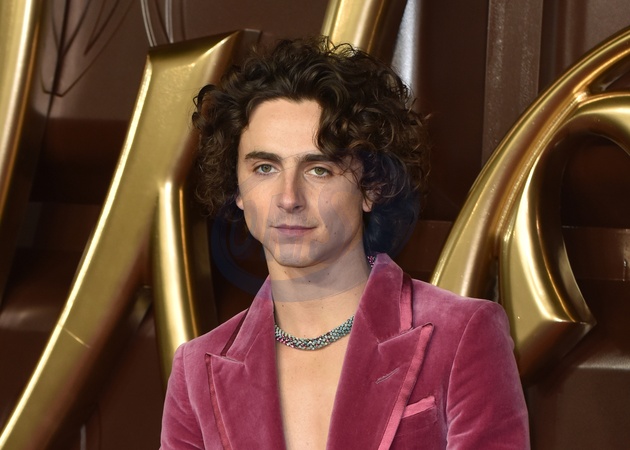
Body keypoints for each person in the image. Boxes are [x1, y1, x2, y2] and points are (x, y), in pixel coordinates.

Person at [160, 37, 529, 449]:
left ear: (371, 186)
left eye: (319, 169)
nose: (288, 197)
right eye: (265, 167)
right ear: (238, 189)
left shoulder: (462, 334)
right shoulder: (196, 369)